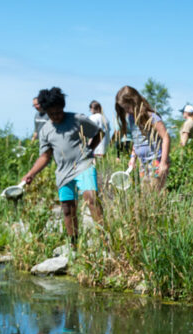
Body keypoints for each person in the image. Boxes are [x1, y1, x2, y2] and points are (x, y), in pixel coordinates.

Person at [22, 87, 105, 247]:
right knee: (68, 209)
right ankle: (73, 246)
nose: (56, 116)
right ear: (46, 112)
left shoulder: (77, 119)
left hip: (84, 165)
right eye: (52, 114)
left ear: (63, 107)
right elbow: (45, 156)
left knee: (91, 198)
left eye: (59, 112)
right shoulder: (45, 130)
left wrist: (89, 150)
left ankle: (105, 242)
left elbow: (99, 133)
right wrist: (31, 173)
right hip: (63, 173)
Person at [115, 85, 170, 190]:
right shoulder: (131, 118)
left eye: (127, 107)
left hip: (156, 160)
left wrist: (163, 162)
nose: (126, 111)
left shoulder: (151, 116)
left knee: (155, 193)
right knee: (146, 194)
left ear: (134, 101)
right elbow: (137, 141)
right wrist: (132, 157)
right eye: (124, 108)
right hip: (142, 162)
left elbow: (166, 137)